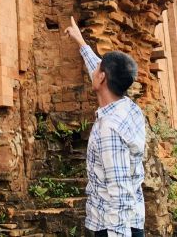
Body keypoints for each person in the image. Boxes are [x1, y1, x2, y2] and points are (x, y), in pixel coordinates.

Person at [65, 16, 146, 237]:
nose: (95, 69)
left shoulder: (109, 128)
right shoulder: (129, 108)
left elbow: (119, 192)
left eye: (98, 69)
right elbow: (98, 67)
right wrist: (81, 43)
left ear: (101, 79)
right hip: (131, 221)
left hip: (114, 228)